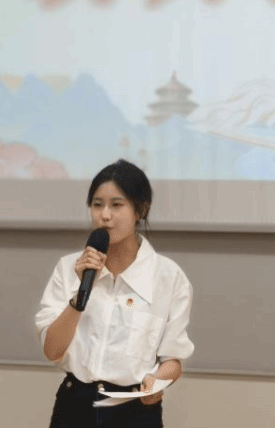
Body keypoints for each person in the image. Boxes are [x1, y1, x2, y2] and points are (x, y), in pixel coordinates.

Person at [35, 160, 194, 428]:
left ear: (140, 211)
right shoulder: (68, 268)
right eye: (97, 205)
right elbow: (52, 350)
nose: (105, 215)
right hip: (75, 407)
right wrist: (80, 296)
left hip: (134, 410)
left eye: (117, 205)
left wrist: (158, 382)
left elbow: (173, 359)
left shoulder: (169, 277)